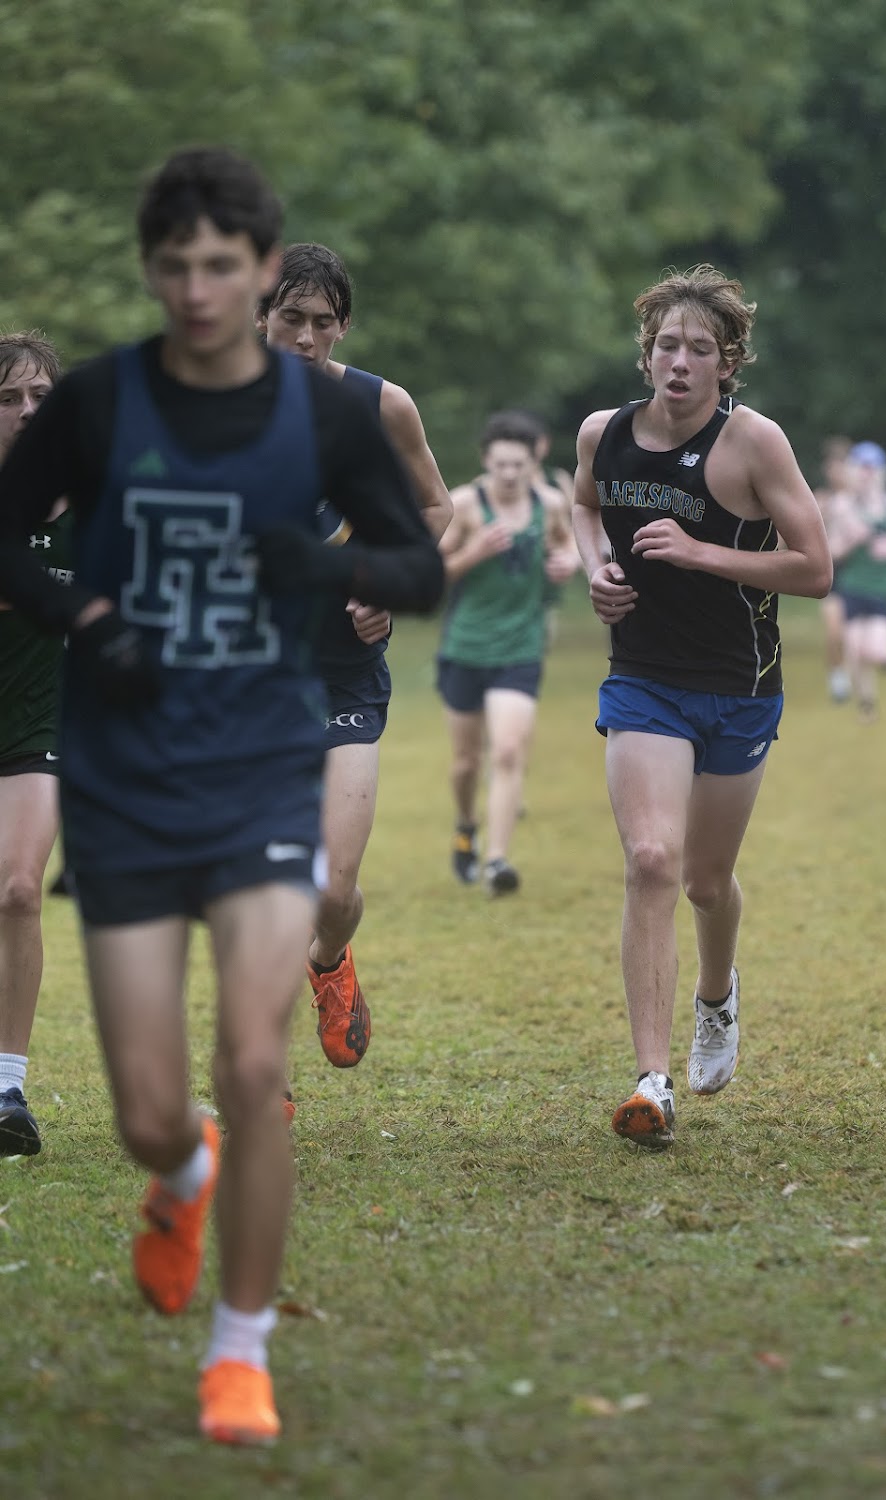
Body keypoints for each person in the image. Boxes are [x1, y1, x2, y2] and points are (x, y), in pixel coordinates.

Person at [0, 148, 443, 1444]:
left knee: (252, 1064)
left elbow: (420, 561)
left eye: (222, 264)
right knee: (150, 1112)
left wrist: (339, 569)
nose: (198, 288)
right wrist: (88, 616)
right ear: (157, 273)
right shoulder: (99, 405)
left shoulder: (335, 421)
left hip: (264, 761)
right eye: (177, 266)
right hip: (132, 776)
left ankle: (240, 1350)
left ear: (257, 271)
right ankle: (181, 1169)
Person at [572, 264, 832, 1148]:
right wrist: (596, 571)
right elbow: (583, 506)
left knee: (705, 882)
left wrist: (699, 552)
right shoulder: (603, 434)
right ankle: (651, 1083)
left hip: (739, 687)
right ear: (646, 355)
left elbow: (815, 569)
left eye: (699, 349)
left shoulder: (753, 443)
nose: (679, 362)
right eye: (666, 345)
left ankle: (716, 999)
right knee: (651, 859)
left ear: (727, 363)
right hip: (643, 680)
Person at [255, 242, 451, 1075]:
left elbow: (435, 507)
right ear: (260, 317)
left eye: (323, 322)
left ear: (343, 327)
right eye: (289, 318)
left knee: (333, 890)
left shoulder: (381, 406)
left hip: (344, 674)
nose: (305, 338)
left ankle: (329, 962)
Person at [438, 410, 579, 895]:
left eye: (519, 465)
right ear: (486, 461)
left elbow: (568, 544)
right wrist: (473, 552)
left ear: (531, 463)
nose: (510, 474)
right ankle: (465, 826)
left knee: (507, 751)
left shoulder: (550, 504)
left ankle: (497, 861)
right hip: (466, 646)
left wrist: (567, 563)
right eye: (501, 465)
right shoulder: (465, 505)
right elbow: (428, 574)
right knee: (466, 763)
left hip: (521, 646)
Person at [0, 332, 68, 1157]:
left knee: (19, 890)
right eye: (9, 398)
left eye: (41, 399)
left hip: (38, 723)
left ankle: (7, 1088)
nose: (27, 412)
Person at [824, 442, 886, 722]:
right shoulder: (842, 506)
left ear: (882, 472)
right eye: (861, 469)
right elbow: (830, 550)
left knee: (877, 651)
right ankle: (867, 704)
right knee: (854, 649)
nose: (866, 475)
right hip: (853, 586)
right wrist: (850, 540)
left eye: (871, 469)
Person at [814, 435, 853, 702]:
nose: (836, 472)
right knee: (834, 631)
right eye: (832, 466)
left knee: (854, 634)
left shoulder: (861, 500)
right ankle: (838, 677)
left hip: (858, 574)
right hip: (834, 574)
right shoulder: (821, 500)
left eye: (842, 465)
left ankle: (854, 672)